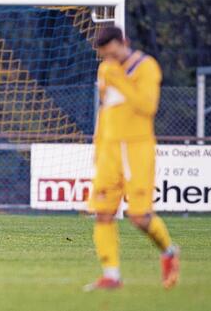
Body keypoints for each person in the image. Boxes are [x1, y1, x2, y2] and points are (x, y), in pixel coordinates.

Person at [85, 26, 180, 291]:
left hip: (138, 149)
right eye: (104, 56)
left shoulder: (146, 67)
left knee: (139, 217)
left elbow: (147, 106)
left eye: (112, 53)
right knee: (102, 212)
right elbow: (106, 110)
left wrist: (118, 79)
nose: (108, 60)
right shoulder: (106, 69)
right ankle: (111, 275)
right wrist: (99, 147)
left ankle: (169, 251)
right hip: (110, 151)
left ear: (124, 42)